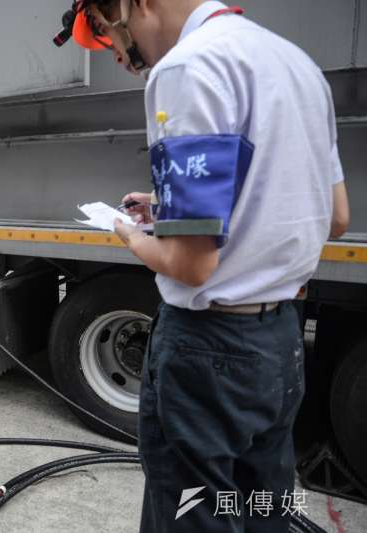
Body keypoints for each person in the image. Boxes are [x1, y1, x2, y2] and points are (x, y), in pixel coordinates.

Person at [71, 1, 351, 531]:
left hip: (208, 350)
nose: (119, 57)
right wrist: (171, 208)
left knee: (193, 514)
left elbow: (190, 265)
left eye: (109, 35)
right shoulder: (298, 66)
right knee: (264, 505)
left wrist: (128, 232)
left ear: (134, 6)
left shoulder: (187, 67)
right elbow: (334, 216)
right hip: (280, 342)